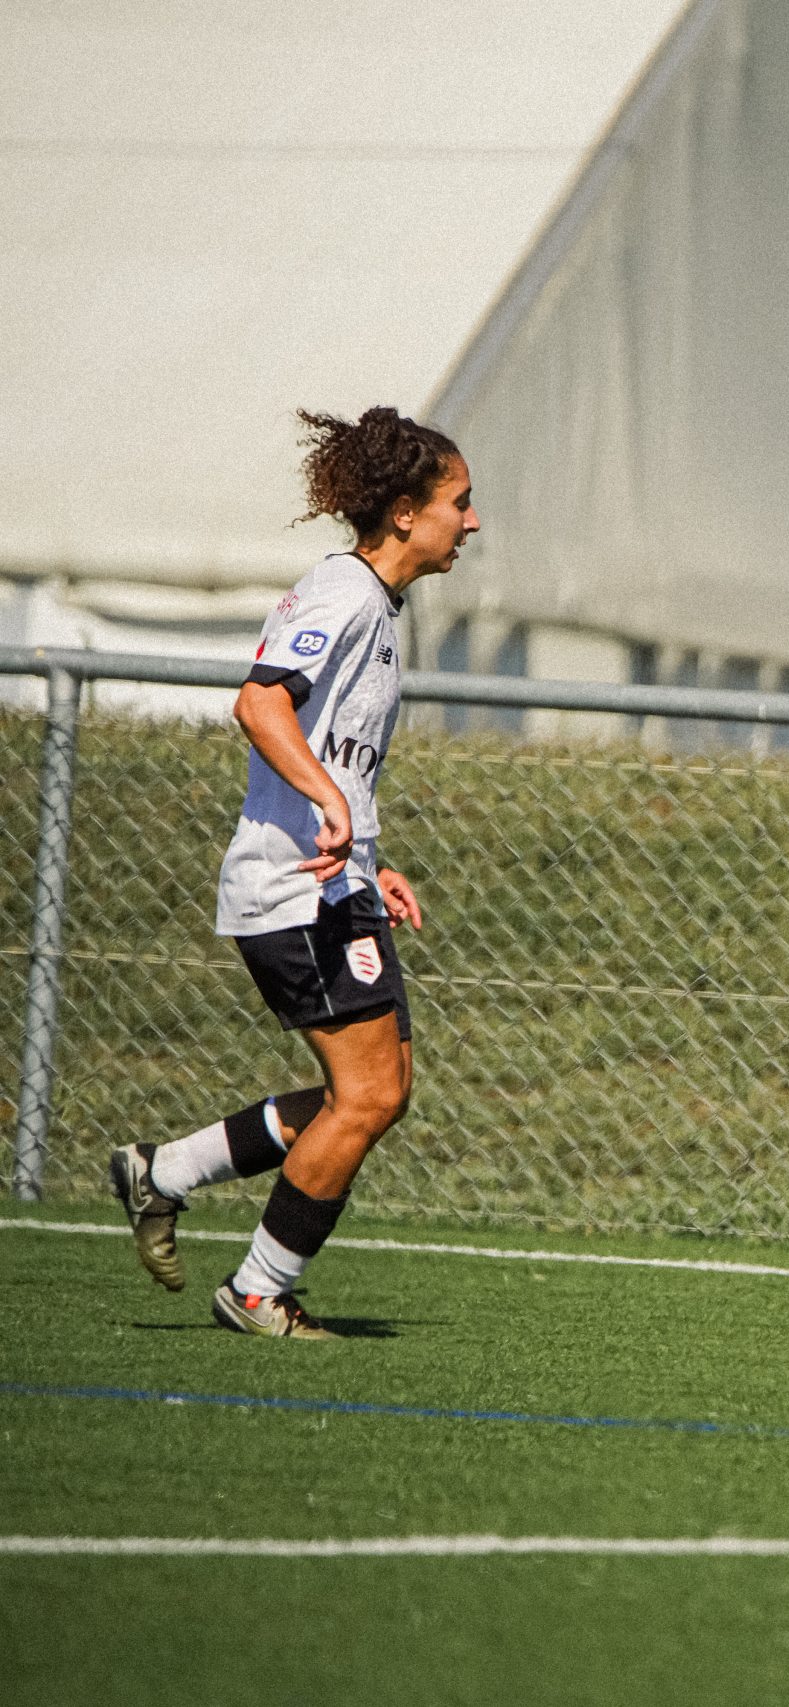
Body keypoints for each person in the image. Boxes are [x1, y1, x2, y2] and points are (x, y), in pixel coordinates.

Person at [107, 406, 477, 1338]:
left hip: (333, 879)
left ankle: (168, 1173)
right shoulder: (343, 594)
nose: (470, 522)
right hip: (291, 887)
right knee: (371, 1094)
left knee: (379, 1087)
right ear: (404, 512)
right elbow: (261, 703)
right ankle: (259, 1289)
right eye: (459, 503)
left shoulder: (381, 609)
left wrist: (368, 856)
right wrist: (330, 806)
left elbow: (335, 755)